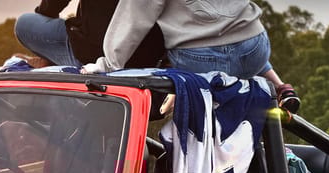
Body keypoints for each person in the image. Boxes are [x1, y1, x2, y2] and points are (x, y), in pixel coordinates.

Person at [82, 0, 300, 111]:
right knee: (233, 37)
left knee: (158, 45)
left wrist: (109, 64)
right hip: (255, 48)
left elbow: (135, 15)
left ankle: (179, 96)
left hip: (201, 59)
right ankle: (281, 87)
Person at [14, 0, 166, 68]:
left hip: (96, 52)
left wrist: (45, 15)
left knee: (24, 24)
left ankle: (64, 64)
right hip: (148, 56)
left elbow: (53, 4)